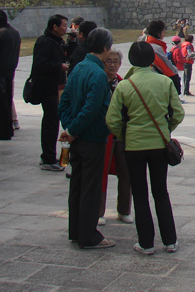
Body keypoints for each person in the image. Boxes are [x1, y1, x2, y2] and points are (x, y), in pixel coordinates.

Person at [106, 41, 184, 255]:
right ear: (152, 59)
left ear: (131, 60)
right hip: (159, 144)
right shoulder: (165, 82)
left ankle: (146, 243)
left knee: (139, 193)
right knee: (161, 192)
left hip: (134, 145)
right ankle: (170, 240)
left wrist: (124, 134)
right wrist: (165, 129)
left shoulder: (125, 85)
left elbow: (112, 119)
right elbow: (178, 113)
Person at [58, 27, 116, 250]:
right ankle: (88, 235)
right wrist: (73, 130)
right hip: (92, 138)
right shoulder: (98, 74)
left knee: (77, 185)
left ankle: (76, 230)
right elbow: (92, 109)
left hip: (77, 138)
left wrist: (69, 128)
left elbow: (64, 102)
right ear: (105, 47)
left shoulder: (79, 68)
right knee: (91, 187)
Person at [98, 48, 132, 226]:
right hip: (103, 134)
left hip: (121, 134)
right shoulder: (99, 81)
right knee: (101, 173)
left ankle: (124, 210)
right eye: (108, 61)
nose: (112, 65)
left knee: (126, 173)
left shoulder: (122, 83)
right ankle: (98, 211)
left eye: (115, 62)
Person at [32, 14, 69, 171]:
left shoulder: (58, 41)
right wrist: (59, 67)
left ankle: (49, 156)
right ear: (54, 26)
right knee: (50, 122)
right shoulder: (44, 42)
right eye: (63, 25)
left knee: (53, 121)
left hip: (57, 87)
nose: (66, 29)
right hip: (48, 88)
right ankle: (48, 158)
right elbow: (39, 64)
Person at [0, 9, 21, 141]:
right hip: (11, 70)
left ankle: (4, 130)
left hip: (0, 72)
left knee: (0, 103)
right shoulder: (15, 32)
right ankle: (8, 128)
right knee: (7, 100)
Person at [144, 20, 181, 95]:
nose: (165, 33)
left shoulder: (145, 42)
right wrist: (175, 71)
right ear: (158, 33)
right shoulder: (156, 48)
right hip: (155, 81)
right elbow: (166, 66)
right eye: (164, 31)